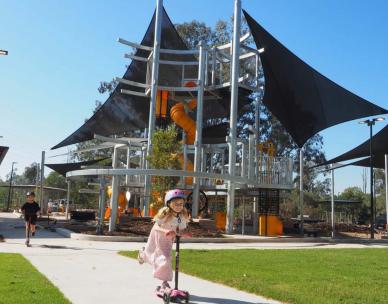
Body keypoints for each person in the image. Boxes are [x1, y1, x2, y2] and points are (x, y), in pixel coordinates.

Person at [138, 189, 191, 290]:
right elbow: (156, 226)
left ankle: (164, 282)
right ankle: (143, 254)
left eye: (181, 204)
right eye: (176, 204)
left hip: (169, 238)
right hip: (158, 235)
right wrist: (165, 231)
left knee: (165, 259)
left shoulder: (182, 215)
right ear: (169, 203)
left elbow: (182, 229)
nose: (179, 206)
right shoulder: (165, 213)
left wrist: (184, 233)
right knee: (155, 254)